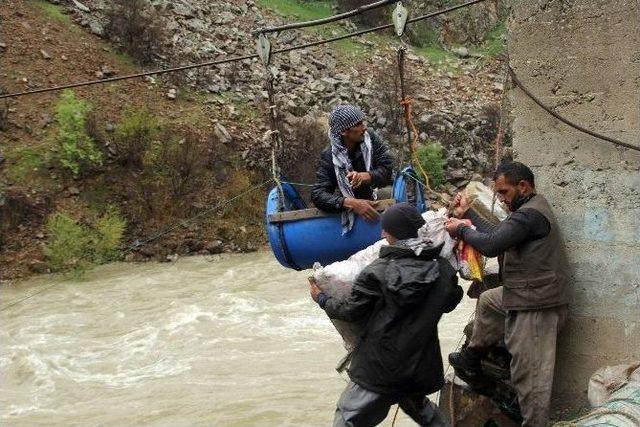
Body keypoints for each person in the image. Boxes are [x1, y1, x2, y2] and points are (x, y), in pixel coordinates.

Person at [310, 203, 463, 427]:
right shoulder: (442, 269)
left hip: (379, 367)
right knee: (423, 411)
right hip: (419, 364)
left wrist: (321, 299)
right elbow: (450, 301)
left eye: (385, 229)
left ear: (391, 233)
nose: (382, 233)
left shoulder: (376, 271)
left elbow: (350, 312)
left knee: (346, 418)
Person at [445, 161, 569, 427]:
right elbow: (498, 233)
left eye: (503, 192)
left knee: (529, 378)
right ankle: (472, 355)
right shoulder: (525, 212)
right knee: (489, 301)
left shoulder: (530, 215)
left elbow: (491, 244)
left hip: (537, 306)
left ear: (523, 186)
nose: (500, 198)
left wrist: (462, 229)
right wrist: (468, 214)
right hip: (525, 293)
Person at [311, 104, 393, 234]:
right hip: (349, 201)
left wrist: (366, 176)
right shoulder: (329, 156)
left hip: (377, 193)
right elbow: (318, 194)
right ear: (344, 132)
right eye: (358, 124)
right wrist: (351, 204)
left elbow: (388, 170)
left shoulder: (371, 138)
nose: (364, 127)